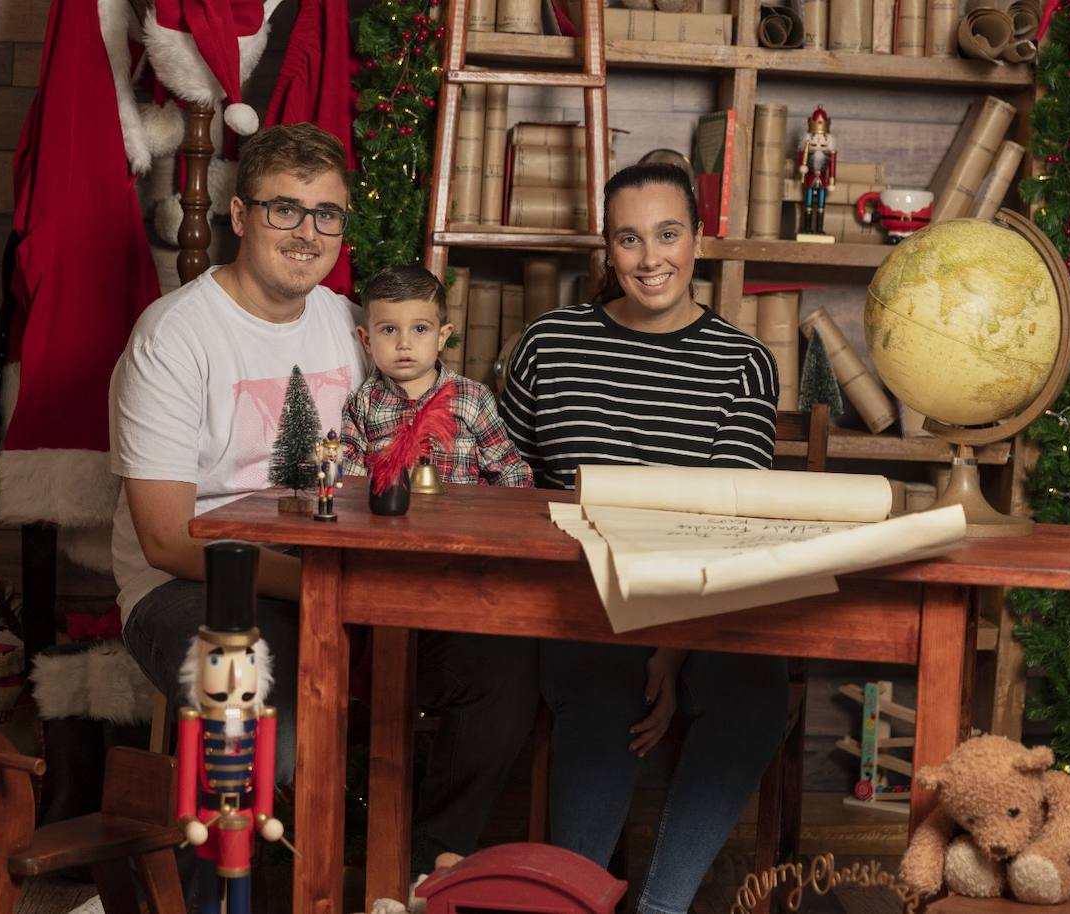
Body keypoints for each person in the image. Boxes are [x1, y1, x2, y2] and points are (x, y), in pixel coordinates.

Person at [112, 123, 537, 881]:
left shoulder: (351, 325)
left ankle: (410, 873)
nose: (308, 233)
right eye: (284, 210)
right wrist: (324, 588)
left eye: (327, 214)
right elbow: (166, 540)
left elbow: (426, 436)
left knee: (499, 674)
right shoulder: (174, 338)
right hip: (200, 586)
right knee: (271, 712)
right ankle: (271, 887)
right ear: (238, 217)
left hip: (349, 572)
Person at [498, 163, 789, 914]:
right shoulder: (548, 345)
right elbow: (505, 490)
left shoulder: (744, 364)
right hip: (577, 599)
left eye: (668, 234)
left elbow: (727, 525)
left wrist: (672, 647)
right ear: (607, 248)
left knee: (755, 691)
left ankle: (663, 908)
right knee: (603, 683)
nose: (650, 257)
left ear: (699, 239)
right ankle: (572, 901)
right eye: (629, 239)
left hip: (700, 601)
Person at [341, 264, 532, 488]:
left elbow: (509, 470)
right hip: (387, 518)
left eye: (420, 329)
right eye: (389, 329)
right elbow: (349, 480)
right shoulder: (362, 403)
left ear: (442, 337)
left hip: (458, 519)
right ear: (367, 341)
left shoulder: (473, 397)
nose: (404, 344)